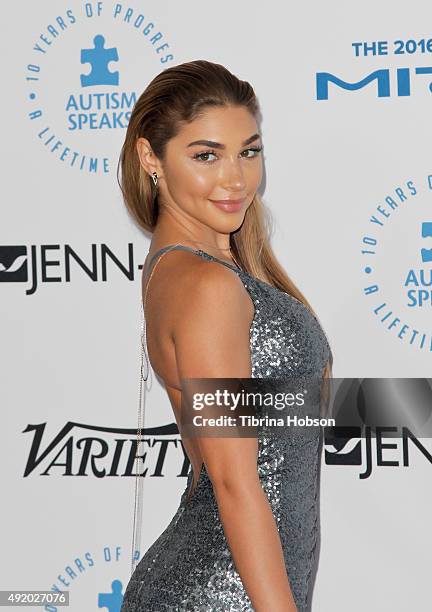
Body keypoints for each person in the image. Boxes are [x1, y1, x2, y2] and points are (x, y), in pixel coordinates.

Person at [118, 59, 333, 612]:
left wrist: (408, 406)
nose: (236, 179)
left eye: (249, 152)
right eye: (206, 155)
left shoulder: (193, 270)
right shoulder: (207, 286)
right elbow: (236, 484)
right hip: (221, 590)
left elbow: (275, 412)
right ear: (151, 159)